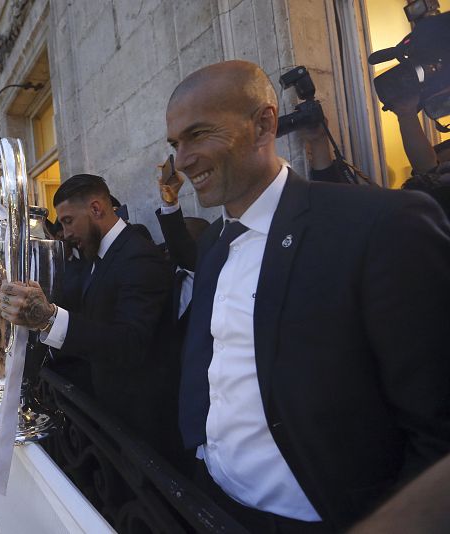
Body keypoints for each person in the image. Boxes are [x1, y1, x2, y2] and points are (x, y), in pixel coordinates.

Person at [166, 60, 450, 532]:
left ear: (264, 125)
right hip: (215, 502)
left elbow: (437, 427)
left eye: (198, 135)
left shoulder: (381, 225)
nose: (181, 160)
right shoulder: (213, 244)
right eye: (176, 144)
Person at [0, 174, 178, 452]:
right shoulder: (100, 254)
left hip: (145, 425)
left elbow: (130, 342)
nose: (65, 233)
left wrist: (49, 319)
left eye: (68, 221)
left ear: (96, 209)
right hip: (112, 414)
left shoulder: (138, 257)